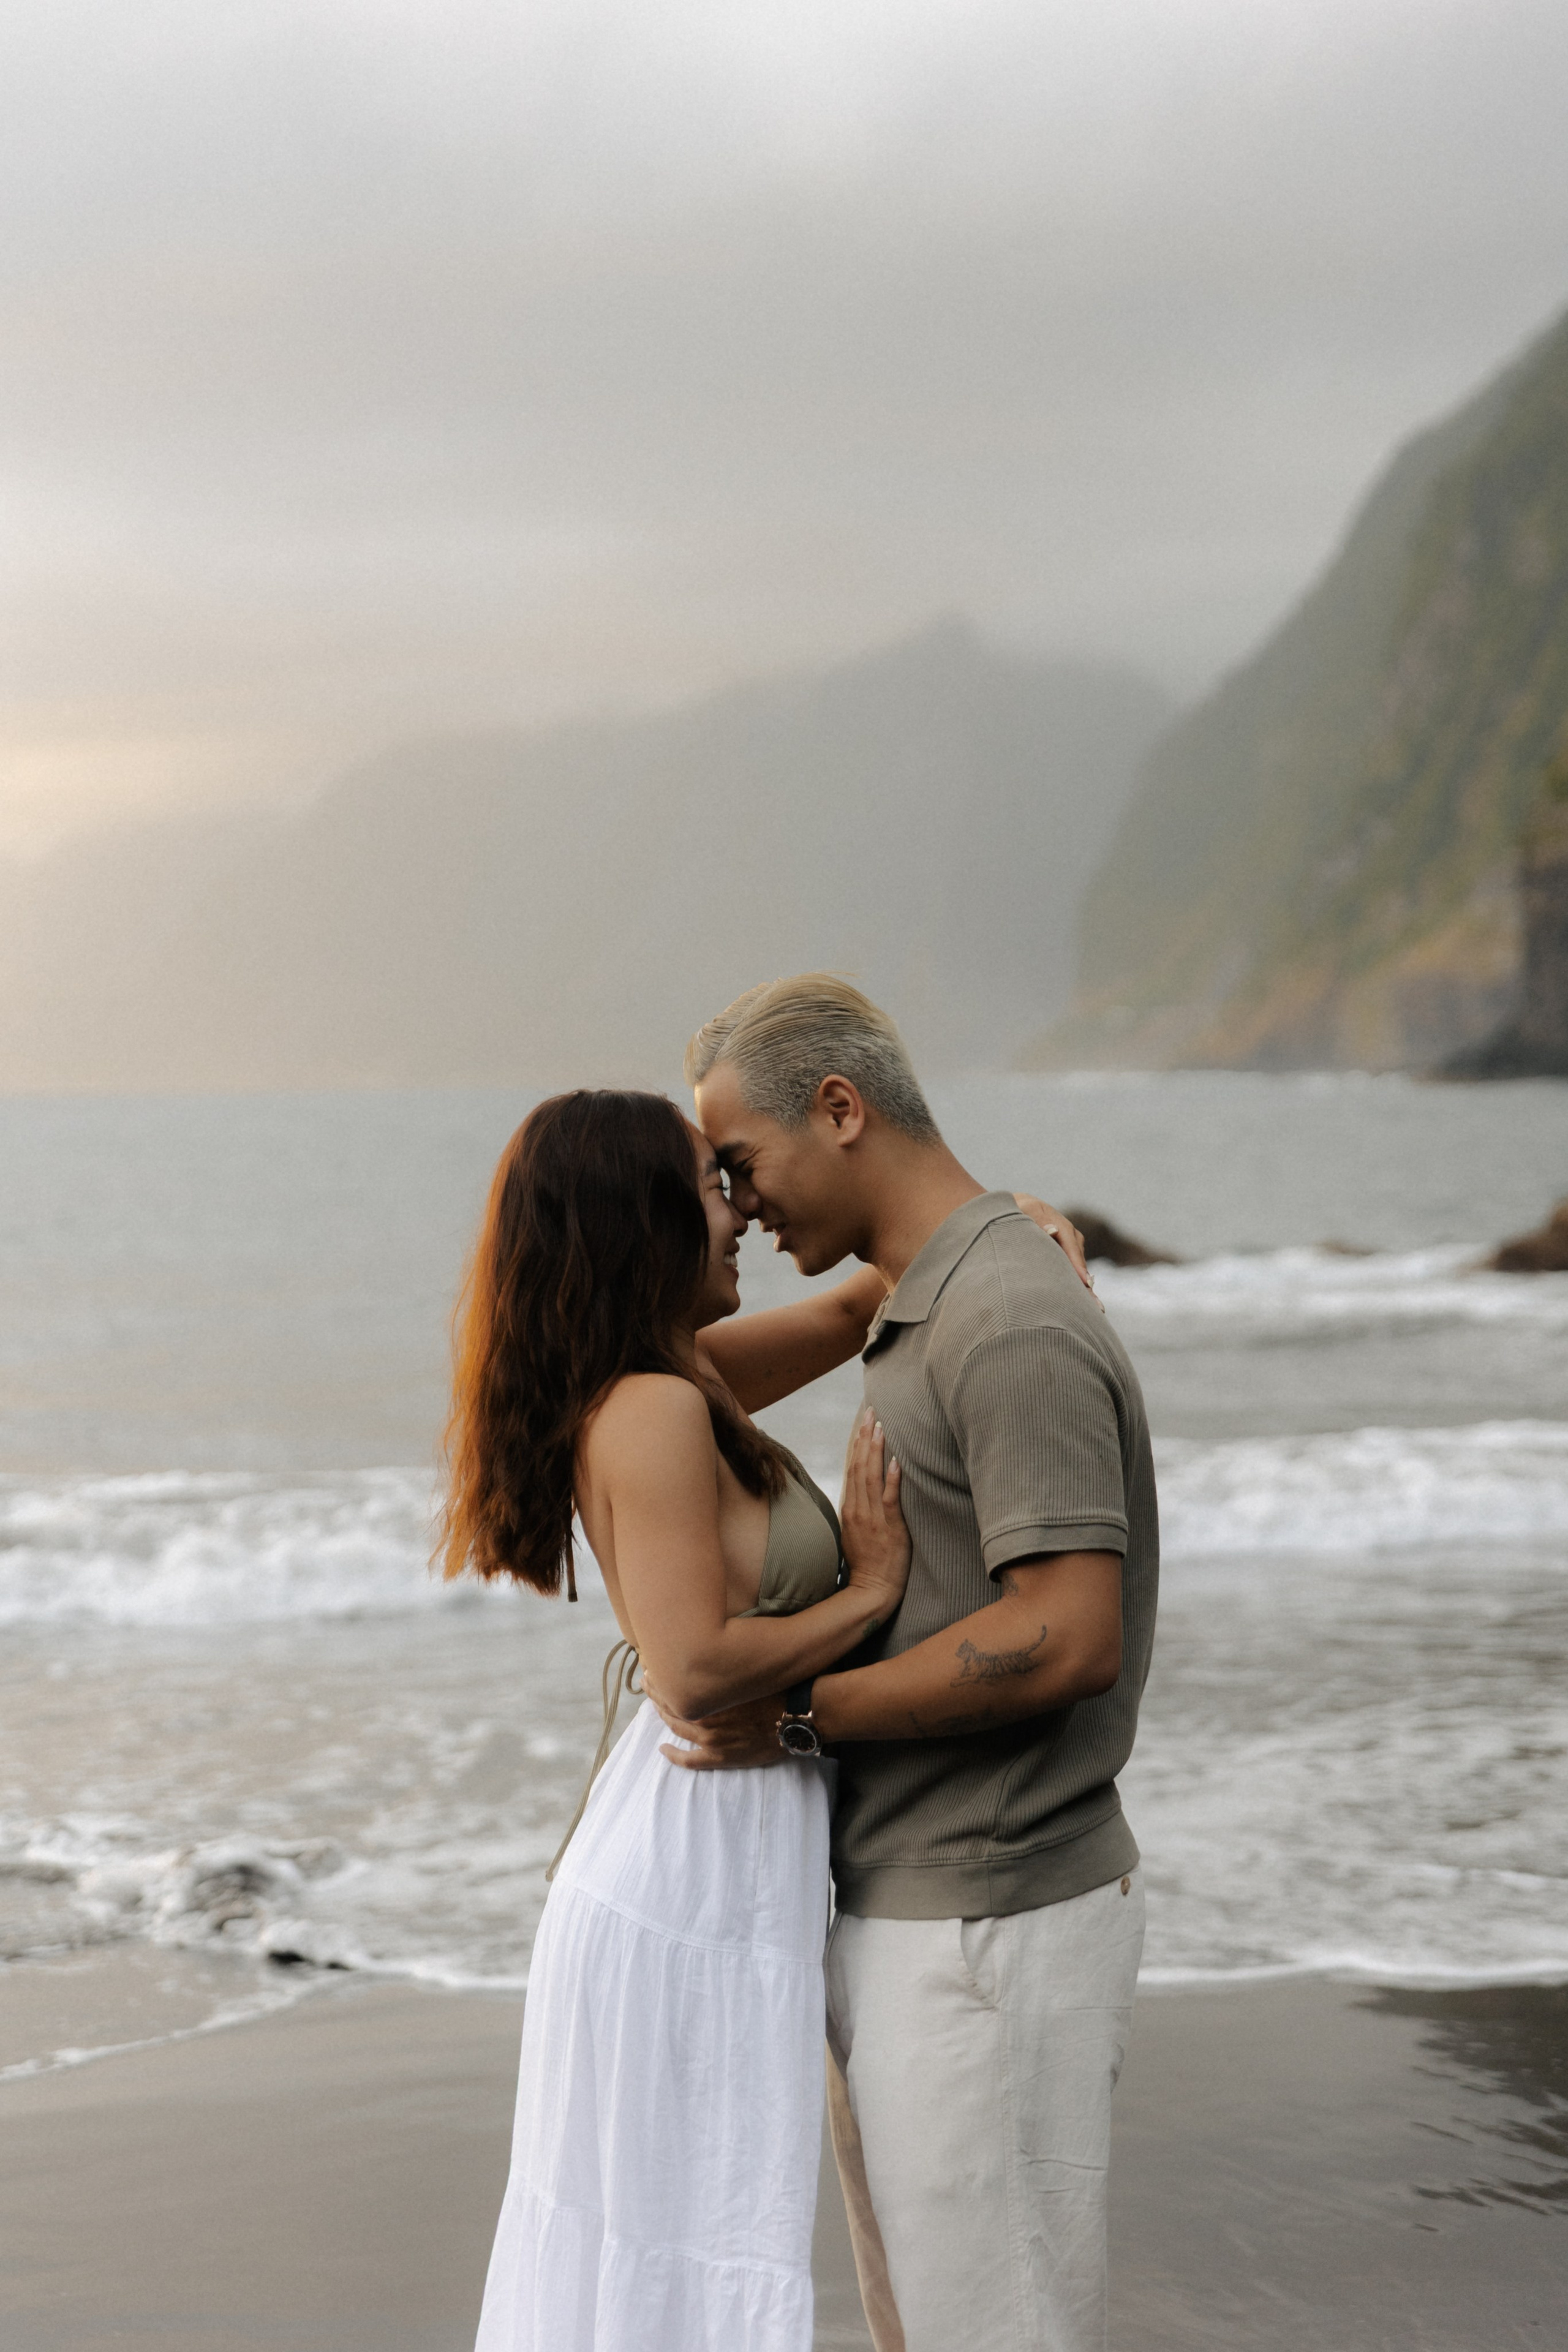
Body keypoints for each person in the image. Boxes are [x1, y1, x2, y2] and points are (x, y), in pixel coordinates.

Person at [440, 1087, 1087, 2352]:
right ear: (640, 1221)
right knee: (691, 2237)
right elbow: (692, 1672)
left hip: (714, 1840)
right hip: (691, 1855)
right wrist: (874, 1594)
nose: (736, 1211)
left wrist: (1009, 1221)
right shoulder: (655, 1408)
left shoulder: (681, 1380)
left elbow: (861, 1307)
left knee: (693, 2235)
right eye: (706, 1185)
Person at [659, 973, 1158, 2352]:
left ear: (839, 1110)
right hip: (921, 1914)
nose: (740, 1204)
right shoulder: (938, 1300)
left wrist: (798, 1716)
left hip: (987, 1925)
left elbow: (1065, 1631)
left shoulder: (1005, 1318)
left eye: (742, 1164)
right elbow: (647, 1376)